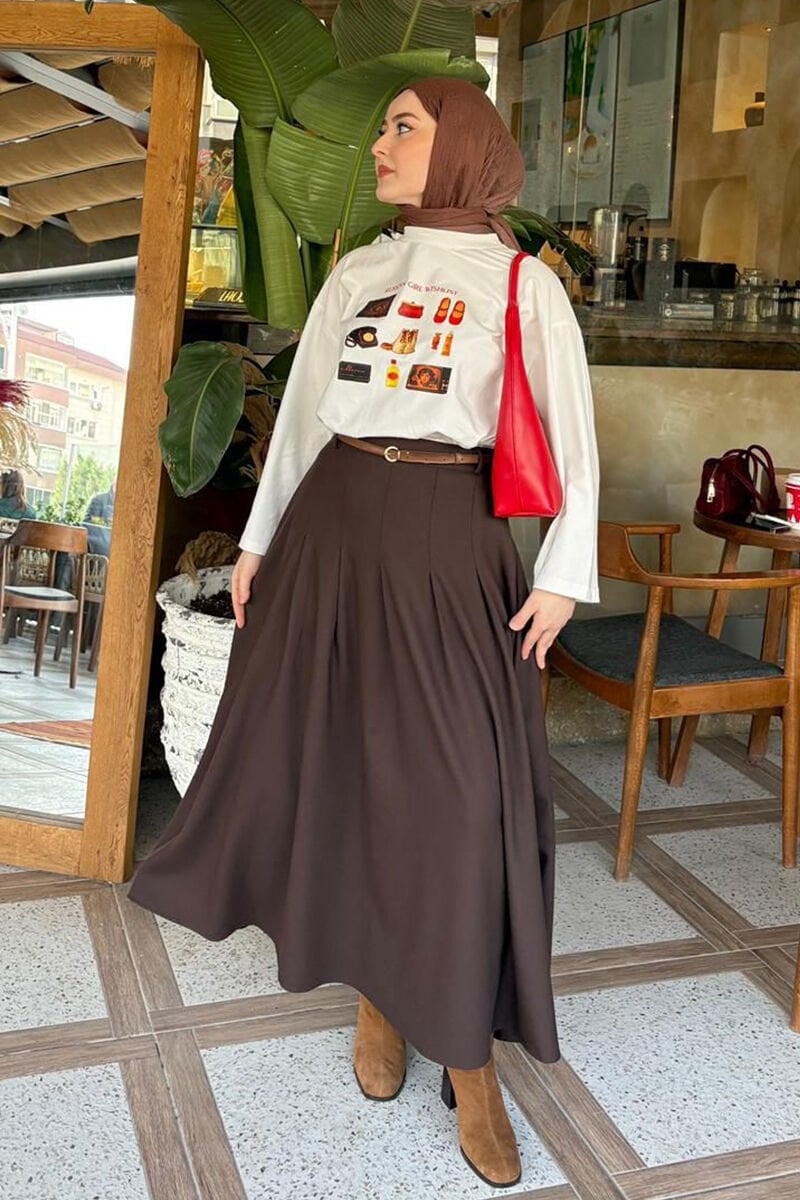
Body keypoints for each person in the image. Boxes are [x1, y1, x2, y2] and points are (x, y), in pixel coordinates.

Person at [129, 78, 599, 1189]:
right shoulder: (359, 270)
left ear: (460, 146)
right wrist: (256, 542)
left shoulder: (522, 283)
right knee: (346, 777)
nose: (380, 144)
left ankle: (470, 1062)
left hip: (450, 537)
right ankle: (380, 1002)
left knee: (460, 801)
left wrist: (563, 575)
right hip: (333, 528)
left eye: (403, 127)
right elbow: (301, 420)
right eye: (384, 126)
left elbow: (573, 431)